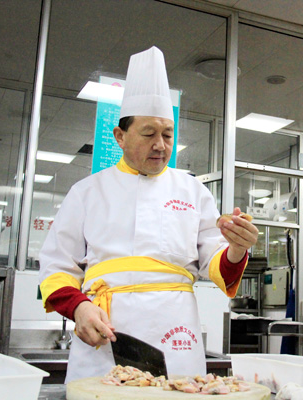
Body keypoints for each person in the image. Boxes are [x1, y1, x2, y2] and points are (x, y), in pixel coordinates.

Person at [38, 46, 258, 383]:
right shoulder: (87, 192)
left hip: (176, 335)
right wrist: (79, 307)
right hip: (105, 334)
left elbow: (216, 264)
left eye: (168, 134)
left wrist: (238, 248)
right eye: (148, 134)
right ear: (120, 136)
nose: (160, 145)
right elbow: (55, 268)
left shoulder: (193, 191)